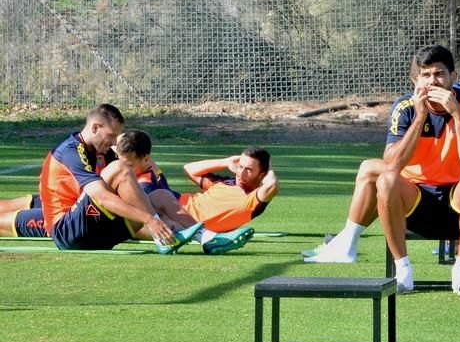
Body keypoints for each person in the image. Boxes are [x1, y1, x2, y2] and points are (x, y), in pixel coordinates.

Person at [304, 44, 460, 295]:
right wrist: (419, 117)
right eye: (425, 75)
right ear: (416, 79)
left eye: (439, 74)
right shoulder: (405, 107)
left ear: (453, 78)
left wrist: (457, 114)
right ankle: (403, 271)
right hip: (415, 199)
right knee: (385, 179)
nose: (432, 82)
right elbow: (392, 164)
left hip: (455, 200)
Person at [37, 104, 202, 253]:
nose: (114, 142)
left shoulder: (102, 151)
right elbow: (102, 197)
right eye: (111, 135)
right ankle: (163, 234)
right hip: (67, 232)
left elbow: (130, 190)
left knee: (161, 196)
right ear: (95, 127)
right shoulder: (70, 151)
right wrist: (150, 219)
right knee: (120, 168)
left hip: (94, 232)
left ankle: (206, 237)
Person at [114, 130, 262, 254]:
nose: (124, 168)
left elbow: (125, 139)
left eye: (128, 165)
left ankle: (206, 238)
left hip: (176, 208)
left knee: (162, 196)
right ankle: (197, 237)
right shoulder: (142, 182)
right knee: (162, 206)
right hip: (169, 213)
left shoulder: (148, 172)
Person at [147, 146, 279, 249]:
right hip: (172, 200)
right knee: (145, 157)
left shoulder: (251, 199)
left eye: (248, 170)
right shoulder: (226, 183)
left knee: (138, 170)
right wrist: (226, 162)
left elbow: (272, 185)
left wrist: (270, 169)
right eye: (240, 166)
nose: (241, 173)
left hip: (179, 218)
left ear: (262, 175)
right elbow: (189, 169)